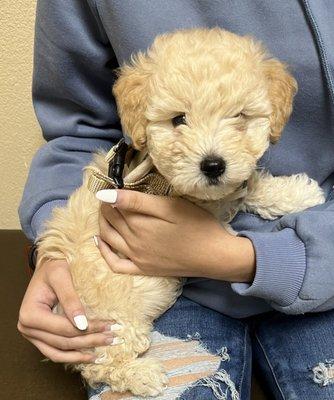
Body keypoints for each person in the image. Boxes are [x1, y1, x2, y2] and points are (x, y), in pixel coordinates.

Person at [18, 1, 334, 399]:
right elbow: (78, 136)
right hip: (142, 266)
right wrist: (54, 248)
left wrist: (258, 259)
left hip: (322, 259)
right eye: (179, 120)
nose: (210, 150)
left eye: (239, 118)